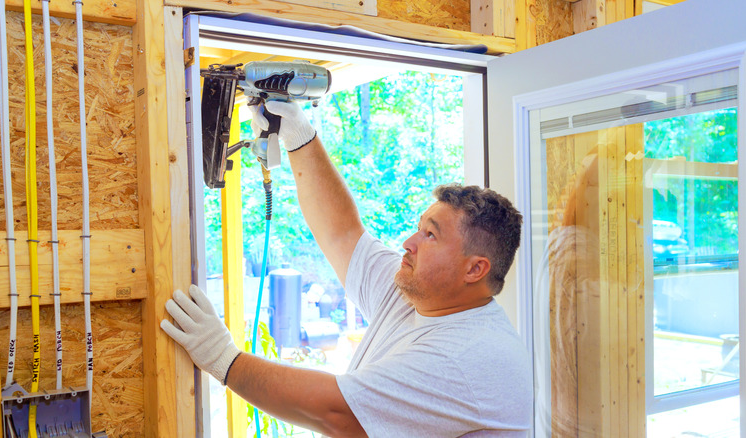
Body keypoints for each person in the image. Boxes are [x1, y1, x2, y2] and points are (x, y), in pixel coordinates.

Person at [161, 101, 533, 437]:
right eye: (419, 227)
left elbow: (335, 412)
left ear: (475, 269)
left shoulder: (471, 358)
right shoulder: (414, 292)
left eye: (431, 236)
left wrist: (223, 358)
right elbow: (341, 234)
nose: (408, 242)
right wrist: (298, 135)